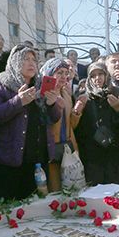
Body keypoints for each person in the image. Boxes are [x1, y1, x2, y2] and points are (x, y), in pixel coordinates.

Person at [0, 44, 61, 200]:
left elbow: (53, 118)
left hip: (38, 161)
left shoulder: (41, 85)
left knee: (37, 208)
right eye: (26, 58)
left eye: (34, 59)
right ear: (14, 61)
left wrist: (52, 104)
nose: (31, 63)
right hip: (10, 162)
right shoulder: (1, 84)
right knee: (11, 211)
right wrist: (18, 101)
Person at [73, 62, 119, 184]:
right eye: (93, 75)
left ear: (106, 75)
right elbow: (78, 128)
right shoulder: (82, 96)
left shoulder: (117, 93)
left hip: (115, 152)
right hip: (92, 154)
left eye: (100, 74)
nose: (97, 78)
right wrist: (77, 111)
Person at [40, 58, 79, 192]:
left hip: (67, 146)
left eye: (66, 73)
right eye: (59, 72)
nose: (64, 76)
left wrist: (77, 113)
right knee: (54, 189)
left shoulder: (67, 94)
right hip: (51, 147)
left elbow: (70, 124)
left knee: (72, 187)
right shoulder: (44, 94)